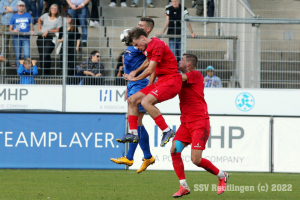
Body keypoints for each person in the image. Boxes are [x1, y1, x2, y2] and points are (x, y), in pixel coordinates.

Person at [171, 53, 228, 198]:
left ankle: (222, 175)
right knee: (174, 151)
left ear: (188, 64)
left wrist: (165, 67)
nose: (179, 61)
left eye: (182, 60)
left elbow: (178, 78)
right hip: (185, 122)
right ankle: (183, 186)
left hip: (199, 122)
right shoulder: (181, 77)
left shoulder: (195, 74)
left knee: (196, 160)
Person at [120, 27, 182, 147]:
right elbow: (149, 62)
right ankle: (133, 133)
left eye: (137, 45)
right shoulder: (148, 46)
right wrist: (136, 72)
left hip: (171, 80)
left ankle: (166, 130)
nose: (137, 48)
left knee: (145, 102)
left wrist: (134, 78)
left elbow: (150, 69)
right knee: (132, 100)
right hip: (161, 81)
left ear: (143, 38)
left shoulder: (157, 45)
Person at [111, 18, 155, 174]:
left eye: (141, 26)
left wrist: (146, 83)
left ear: (147, 30)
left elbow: (152, 63)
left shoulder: (147, 46)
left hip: (141, 85)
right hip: (132, 85)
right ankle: (147, 156)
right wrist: (128, 85)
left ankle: (130, 157)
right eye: (138, 25)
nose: (138, 27)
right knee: (138, 123)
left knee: (137, 123)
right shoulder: (135, 44)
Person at [36, 4, 62, 76]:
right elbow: (39, 19)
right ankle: (43, 74)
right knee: (41, 56)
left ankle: (46, 73)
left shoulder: (59, 18)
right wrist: (39, 30)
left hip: (51, 38)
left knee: (46, 55)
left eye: (56, 8)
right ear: (50, 9)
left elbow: (58, 29)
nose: (54, 10)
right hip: (41, 37)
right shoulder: (45, 15)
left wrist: (48, 30)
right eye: (53, 8)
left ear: (57, 10)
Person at [9, 1, 34, 69]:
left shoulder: (28, 15)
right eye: (20, 6)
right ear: (17, 7)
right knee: (18, 55)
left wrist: (32, 30)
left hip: (26, 37)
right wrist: (13, 31)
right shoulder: (14, 16)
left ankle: (26, 71)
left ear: (24, 7)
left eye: (22, 6)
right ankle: (19, 72)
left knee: (27, 55)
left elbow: (32, 27)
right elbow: (10, 29)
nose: (21, 7)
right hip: (16, 37)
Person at [58, 13, 80, 85]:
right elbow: (58, 40)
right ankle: (66, 82)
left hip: (72, 48)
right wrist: (63, 39)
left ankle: (72, 82)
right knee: (63, 65)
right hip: (64, 49)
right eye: (66, 18)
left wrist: (77, 47)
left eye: (69, 17)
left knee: (72, 65)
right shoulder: (62, 28)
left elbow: (78, 38)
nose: (68, 19)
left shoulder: (74, 27)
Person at [0, 0, 18, 67]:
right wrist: (12, 9)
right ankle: (5, 61)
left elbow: (18, 9)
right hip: (4, 24)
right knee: (3, 44)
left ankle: (12, 61)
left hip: (14, 25)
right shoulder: (2, 1)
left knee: (13, 44)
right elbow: (0, 10)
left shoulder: (18, 0)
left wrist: (5, 7)